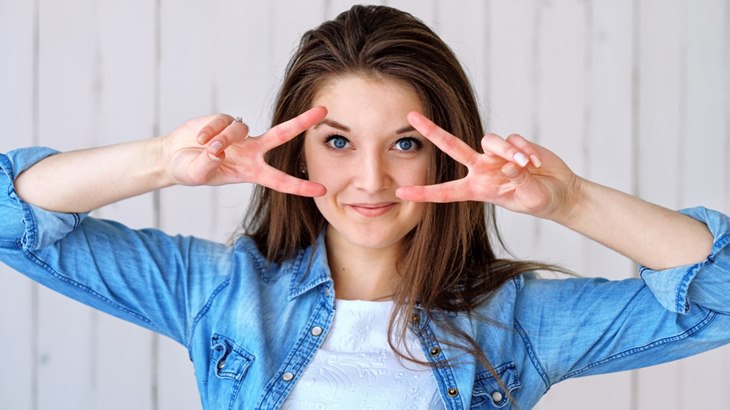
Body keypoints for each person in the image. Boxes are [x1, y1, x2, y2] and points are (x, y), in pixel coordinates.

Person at [1, 4, 728, 409]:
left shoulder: (519, 321)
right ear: (298, 148)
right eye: (340, 140)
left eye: (405, 143)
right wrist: (161, 161)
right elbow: (14, 221)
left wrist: (569, 200)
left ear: (446, 151)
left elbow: (719, 297)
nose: (371, 180)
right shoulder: (219, 293)